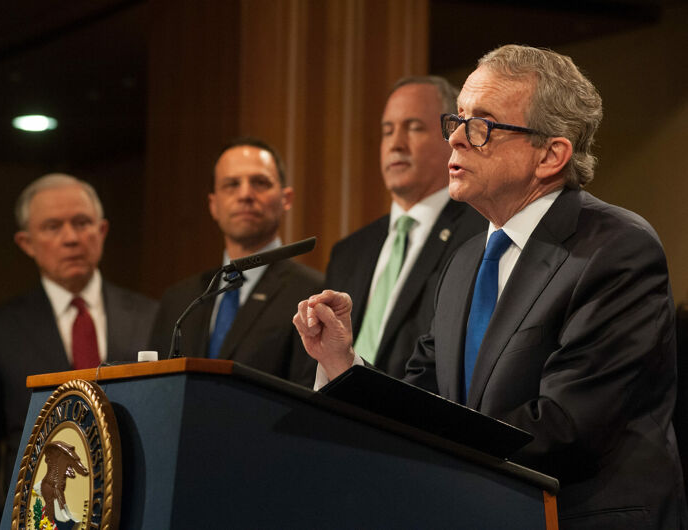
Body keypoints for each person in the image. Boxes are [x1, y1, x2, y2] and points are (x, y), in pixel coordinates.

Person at [294, 45, 687, 528]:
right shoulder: (463, 263)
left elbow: (565, 426)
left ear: (550, 155)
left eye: (481, 124)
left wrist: (437, 445)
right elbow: (420, 400)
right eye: (457, 119)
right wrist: (341, 362)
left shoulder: (616, 249)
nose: (456, 139)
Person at [0, 174, 160, 529]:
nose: (71, 238)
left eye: (82, 223)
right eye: (52, 227)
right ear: (26, 242)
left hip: (136, 514)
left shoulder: (152, 316)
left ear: (102, 230)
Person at [325, 76, 485, 379]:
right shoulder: (349, 252)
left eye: (414, 128)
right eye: (388, 131)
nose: (396, 144)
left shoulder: (479, 234)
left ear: (452, 135)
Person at [152, 137, 323, 386]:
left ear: (286, 198)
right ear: (213, 205)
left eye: (260, 183)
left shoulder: (313, 293)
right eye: (232, 184)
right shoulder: (178, 301)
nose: (245, 194)